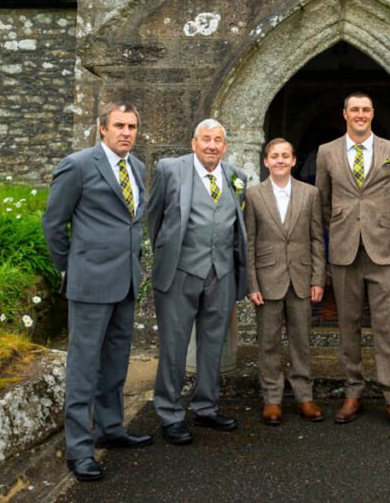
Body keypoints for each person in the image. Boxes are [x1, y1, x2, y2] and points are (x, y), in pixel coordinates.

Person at [41, 103, 152, 483]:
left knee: (117, 361)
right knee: (84, 366)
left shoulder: (136, 168)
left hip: (125, 281)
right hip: (89, 283)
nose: (126, 132)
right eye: (119, 125)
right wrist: (71, 268)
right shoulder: (78, 165)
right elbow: (54, 223)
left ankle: (110, 427)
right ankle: (78, 448)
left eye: (132, 126)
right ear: (101, 129)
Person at [146, 119, 248, 446]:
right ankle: (170, 414)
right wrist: (167, 256)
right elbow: (154, 218)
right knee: (174, 346)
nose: (212, 146)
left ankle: (206, 406)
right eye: (206, 139)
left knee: (213, 345)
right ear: (194, 143)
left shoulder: (236, 177)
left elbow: (236, 228)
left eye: (218, 140)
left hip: (221, 274)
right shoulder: (170, 170)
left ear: (224, 145)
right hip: (180, 271)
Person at [315, 92, 390, 431]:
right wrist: (346, 228)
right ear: (344, 114)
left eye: (366, 110)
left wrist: (382, 226)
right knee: (348, 326)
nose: (360, 114)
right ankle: (353, 391)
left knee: (387, 328)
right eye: (354, 110)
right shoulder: (327, 152)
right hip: (344, 251)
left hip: (383, 251)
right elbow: (324, 202)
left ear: (373, 114)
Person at [244, 138, 327, 426]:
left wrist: (318, 277)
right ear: (266, 162)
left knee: (301, 340)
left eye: (285, 156)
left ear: (294, 161)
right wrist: (251, 284)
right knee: (268, 342)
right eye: (274, 156)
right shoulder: (254, 195)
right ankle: (272, 399)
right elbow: (249, 242)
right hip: (267, 279)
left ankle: (305, 396)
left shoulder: (310, 194)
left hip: (302, 278)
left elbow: (317, 238)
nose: (279, 160)